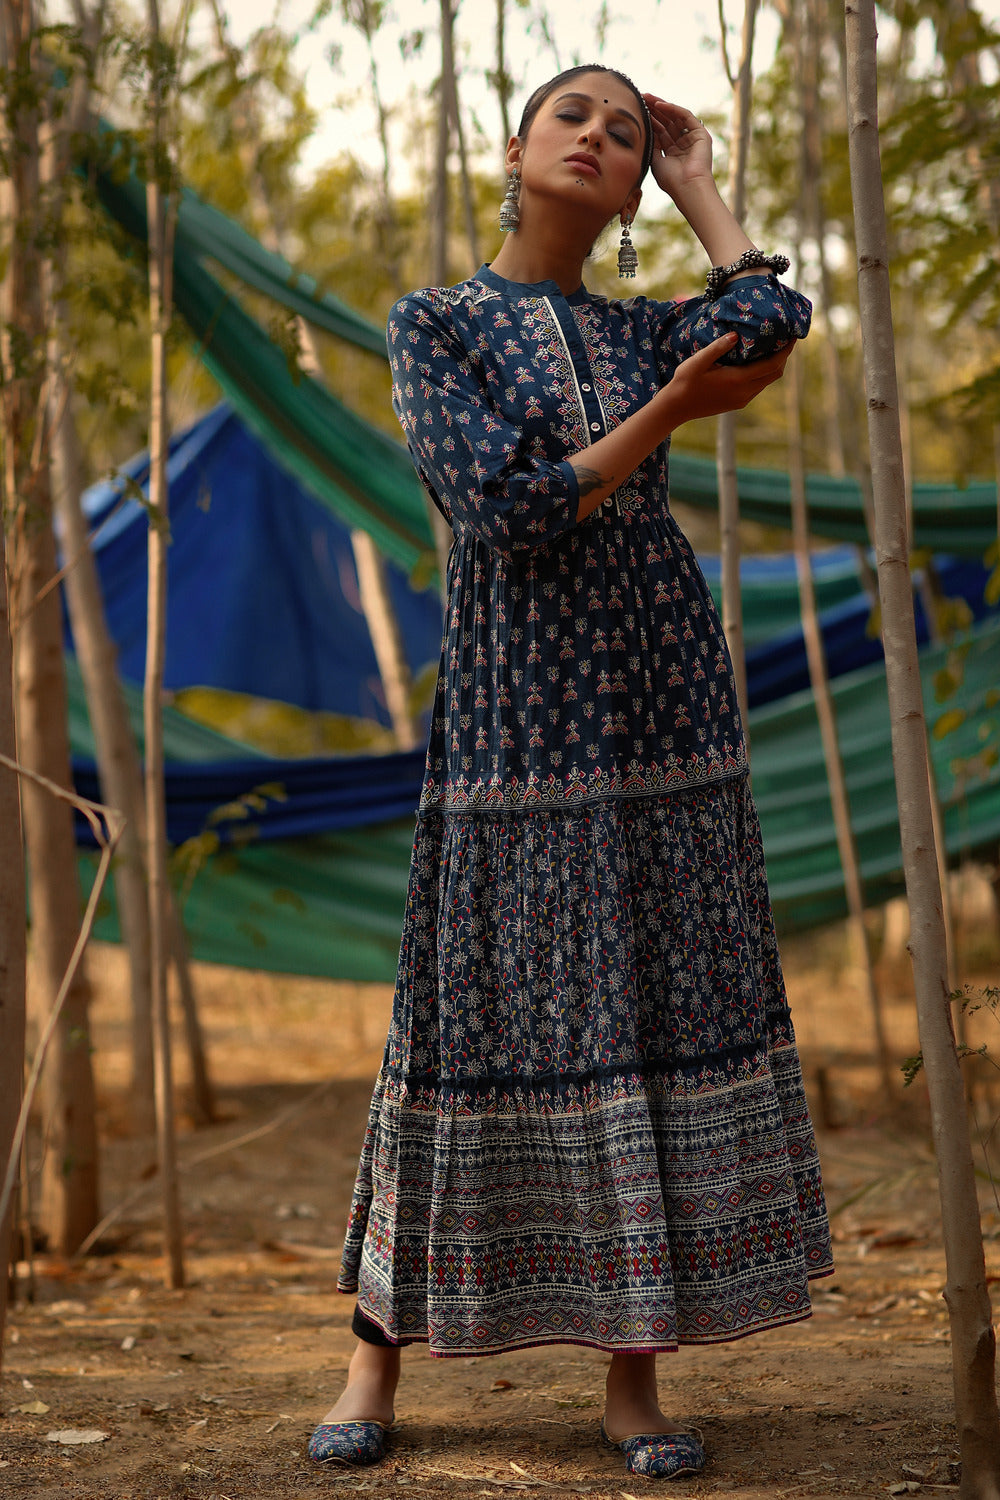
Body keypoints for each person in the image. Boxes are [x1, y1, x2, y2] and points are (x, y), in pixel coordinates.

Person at [308, 64, 832, 1482]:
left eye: (621, 129)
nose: (600, 139)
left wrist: (700, 184)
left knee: (649, 1005)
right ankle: (374, 1355)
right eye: (574, 121)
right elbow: (508, 508)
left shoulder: (641, 324)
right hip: (514, 715)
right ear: (515, 149)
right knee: (461, 1009)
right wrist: (663, 416)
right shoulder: (438, 324)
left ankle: (633, 1384)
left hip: (661, 697)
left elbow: (771, 319)